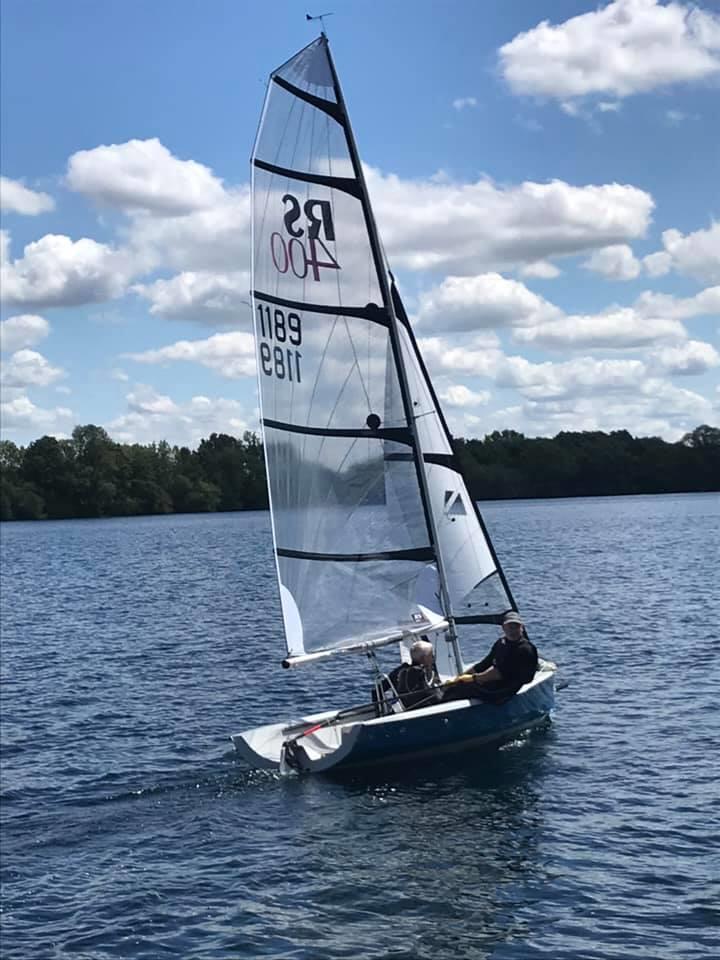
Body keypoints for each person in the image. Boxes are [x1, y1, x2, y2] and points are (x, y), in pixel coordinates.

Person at [442, 611, 538, 704]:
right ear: (503, 627)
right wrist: (458, 678)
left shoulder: (525, 649)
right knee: (453, 687)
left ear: (521, 628)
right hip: (495, 684)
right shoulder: (501, 643)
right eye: (510, 626)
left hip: (504, 691)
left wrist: (473, 678)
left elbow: (499, 673)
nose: (512, 630)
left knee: (459, 690)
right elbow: (484, 664)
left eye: (516, 626)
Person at [374, 638, 440, 711]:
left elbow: (376, 691)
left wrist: (381, 711)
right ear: (424, 658)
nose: (433, 658)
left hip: (405, 710)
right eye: (431, 655)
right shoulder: (421, 673)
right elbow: (434, 696)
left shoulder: (399, 671)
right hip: (424, 711)